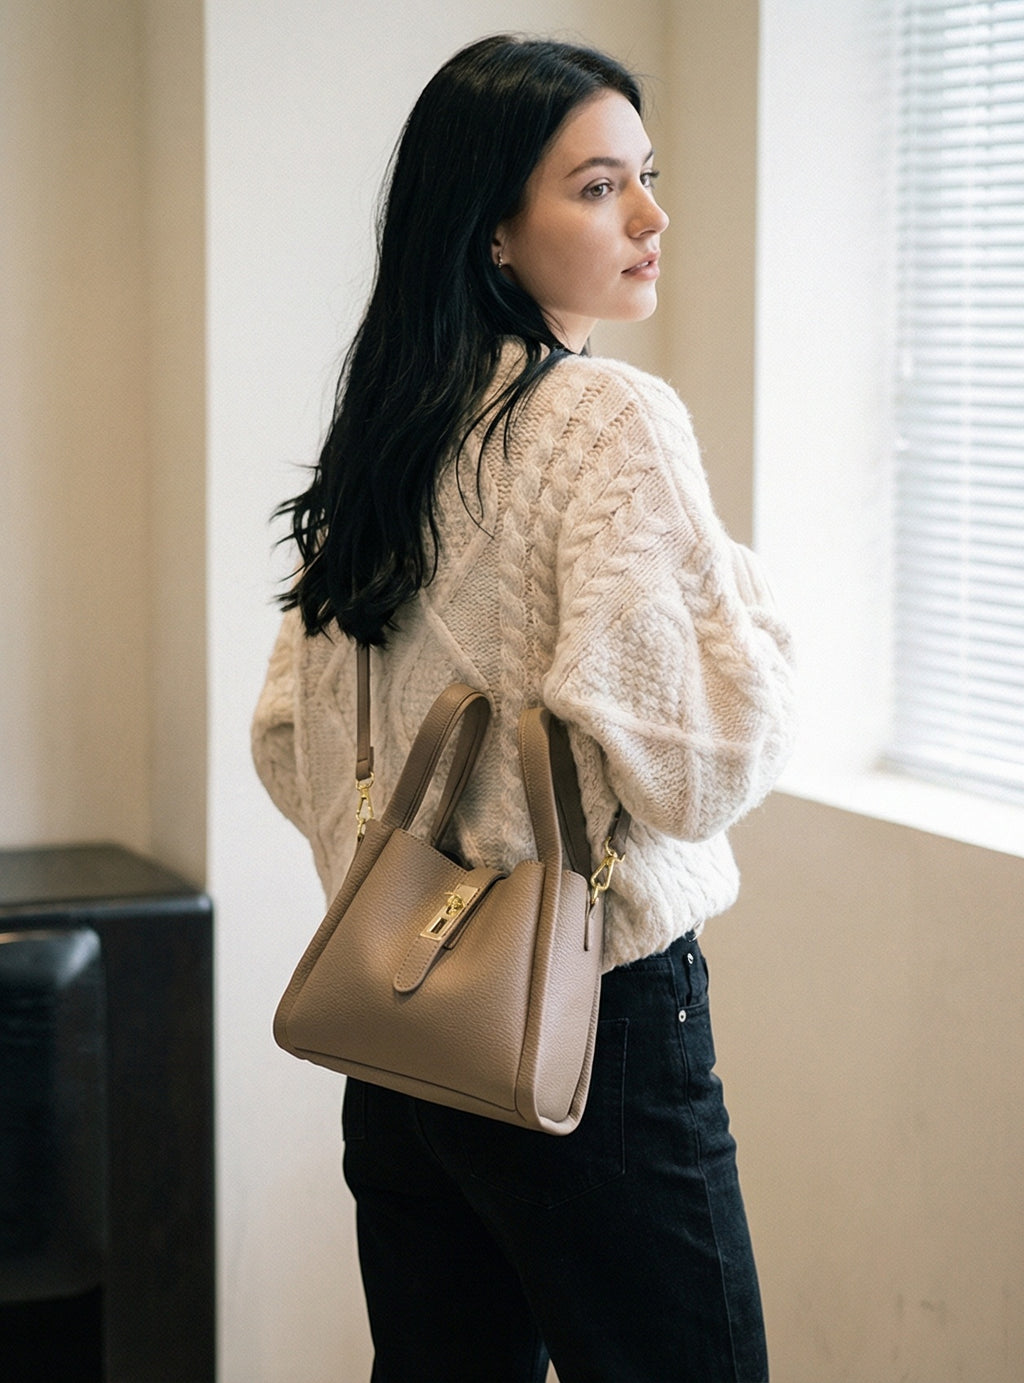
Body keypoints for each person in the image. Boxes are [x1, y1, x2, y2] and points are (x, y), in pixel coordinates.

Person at [252, 33, 796, 1383]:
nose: (651, 217)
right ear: (493, 230)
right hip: (591, 1018)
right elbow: (701, 771)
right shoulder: (605, 422)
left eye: (648, 177)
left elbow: (283, 739)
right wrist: (752, 610)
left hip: (397, 1025)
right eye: (600, 187)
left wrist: (431, 878)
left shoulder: (391, 433)